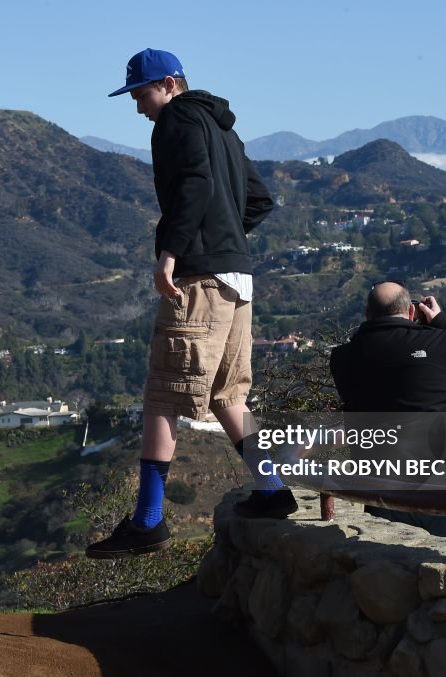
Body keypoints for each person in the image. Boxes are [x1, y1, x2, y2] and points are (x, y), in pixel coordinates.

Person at [86, 48, 293, 559]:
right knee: (227, 396)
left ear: (171, 83)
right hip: (238, 278)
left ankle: (148, 520)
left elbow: (196, 186)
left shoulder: (176, 119)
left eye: (142, 93)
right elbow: (260, 199)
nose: (139, 106)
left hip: (200, 280)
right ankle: (273, 490)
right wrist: (224, 237)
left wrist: (174, 253)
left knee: (162, 397)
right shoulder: (223, 127)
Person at [329, 281, 446, 540]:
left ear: (367, 315)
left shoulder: (342, 359)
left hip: (382, 489)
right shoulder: (439, 345)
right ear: (411, 313)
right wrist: (440, 321)